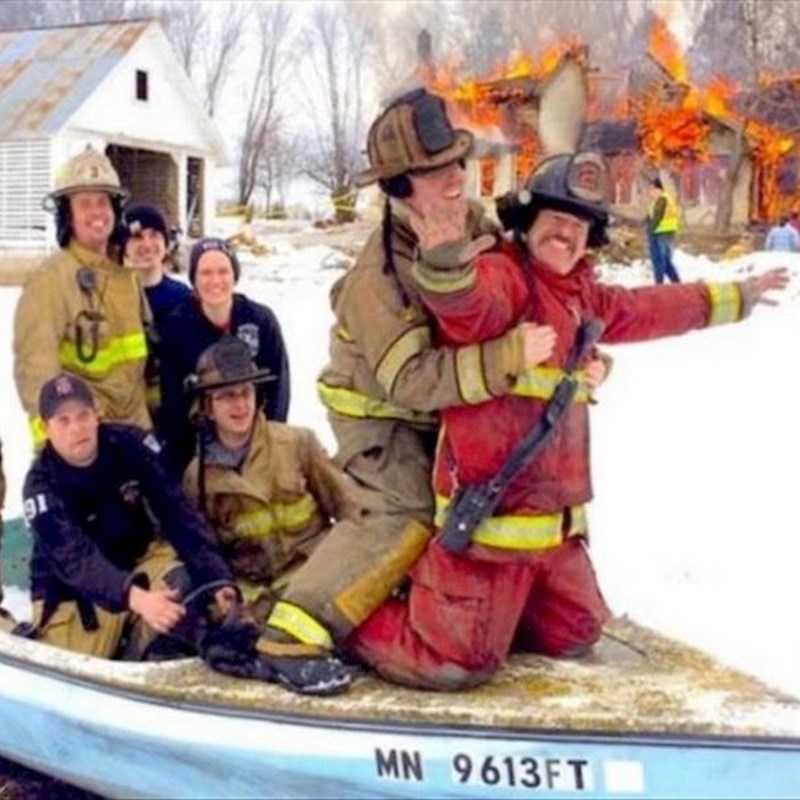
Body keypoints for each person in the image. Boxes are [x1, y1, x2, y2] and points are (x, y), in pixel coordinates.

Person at [346, 149, 788, 691]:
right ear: (527, 223)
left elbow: (651, 308)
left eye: (580, 226)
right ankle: (352, 621)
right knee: (455, 662)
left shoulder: (582, 296)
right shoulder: (504, 278)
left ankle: (489, 617)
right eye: (556, 219)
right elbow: (468, 307)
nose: (567, 235)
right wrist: (443, 260)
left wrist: (737, 297)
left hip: (556, 540)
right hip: (486, 542)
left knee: (576, 632)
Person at [269, 88, 587, 658]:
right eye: (433, 170)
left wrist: (573, 348)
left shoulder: (470, 222)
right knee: (410, 510)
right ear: (397, 187)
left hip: (440, 411)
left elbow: (517, 290)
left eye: (456, 163)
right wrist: (508, 358)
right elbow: (412, 379)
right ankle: (295, 630)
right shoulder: (378, 281)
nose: (454, 178)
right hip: (384, 427)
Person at [22, 373, 236, 659]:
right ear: (46, 429)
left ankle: (149, 654)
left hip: (138, 566)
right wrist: (137, 599)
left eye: (83, 415)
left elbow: (179, 513)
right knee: (70, 683)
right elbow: (77, 562)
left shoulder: (131, 444)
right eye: (63, 420)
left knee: (187, 593)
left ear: (96, 415)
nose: (77, 428)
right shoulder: (40, 486)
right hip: (75, 596)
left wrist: (217, 579)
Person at [13, 145, 152, 447]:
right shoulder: (50, 280)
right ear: (68, 216)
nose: (97, 212)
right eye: (84, 203)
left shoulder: (127, 278)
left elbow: (141, 373)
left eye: (103, 201)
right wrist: (54, 450)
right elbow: (36, 374)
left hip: (135, 438)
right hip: (85, 445)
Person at [159, 238, 290, 474]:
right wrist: (187, 457)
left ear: (235, 276)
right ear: (194, 281)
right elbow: (173, 400)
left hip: (254, 432)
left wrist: (270, 439)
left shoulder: (260, 320)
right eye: (206, 273)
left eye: (223, 271)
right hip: (203, 441)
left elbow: (279, 385)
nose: (215, 281)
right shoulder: (177, 327)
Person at [120, 203, 192, 434]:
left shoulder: (185, 298)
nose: (147, 244)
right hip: (127, 415)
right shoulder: (111, 299)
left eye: (154, 235)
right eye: (137, 237)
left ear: (166, 244)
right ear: (123, 247)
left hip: (178, 415)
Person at [646, 176, 681, 284]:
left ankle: (659, 285)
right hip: (664, 232)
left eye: (651, 189)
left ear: (658, 189)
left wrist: (650, 232)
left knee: (659, 260)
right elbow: (650, 217)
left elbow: (657, 218)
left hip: (661, 232)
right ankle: (676, 283)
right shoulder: (658, 200)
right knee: (665, 261)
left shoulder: (662, 199)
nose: (649, 192)